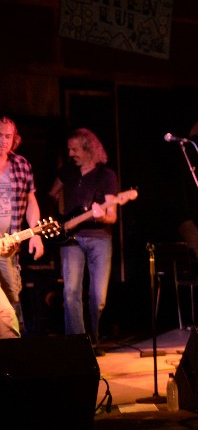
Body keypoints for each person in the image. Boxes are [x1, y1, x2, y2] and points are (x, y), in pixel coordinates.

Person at [49, 128, 118, 354]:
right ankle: (79, 344)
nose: (71, 153)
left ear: (89, 149)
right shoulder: (67, 172)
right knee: (70, 292)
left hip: (100, 238)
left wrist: (101, 215)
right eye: (69, 149)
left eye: (75, 149)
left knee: (98, 297)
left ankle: (94, 338)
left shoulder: (106, 176)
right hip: (72, 239)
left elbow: (112, 216)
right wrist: (59, 219)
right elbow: (51, 195)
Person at [0, 116, 44, 335]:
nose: (3, 141)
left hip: (9, 248)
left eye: (8, 136)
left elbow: (31, 202)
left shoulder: (21, 165)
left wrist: (35, 234)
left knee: (12, 301)